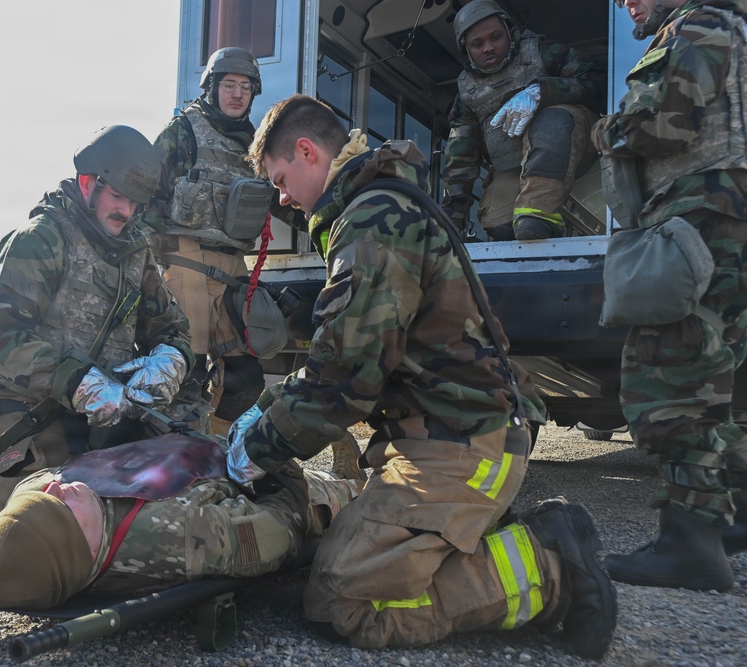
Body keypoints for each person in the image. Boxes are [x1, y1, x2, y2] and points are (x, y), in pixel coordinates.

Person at [234, 93, 617, 658]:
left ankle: (549, 566)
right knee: (336, 553)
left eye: (282, 179)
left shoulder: (371, 225)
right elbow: (343, 360)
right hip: (443, 433)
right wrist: (263, 412)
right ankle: (466, 536)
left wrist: (256, 447)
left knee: (342, 601)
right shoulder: (373, 206)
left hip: (464, 443)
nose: (283, 199)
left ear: (308, 152)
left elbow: (343, 381)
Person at [0, 126, 202, 553]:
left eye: (135, 203)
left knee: (169, 491)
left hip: (110, 412)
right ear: (89, 183)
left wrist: (172, 358)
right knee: (42, 533)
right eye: (118, 197)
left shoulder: (136, 254)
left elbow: (172, 327)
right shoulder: (40, 240)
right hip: (34, 413)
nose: (127, 212)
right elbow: (4, 341)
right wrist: (77, 381)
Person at [592, 0, 747, 591]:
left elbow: (668, 125)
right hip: (727, 217)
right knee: (727, 375)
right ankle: (728, 521)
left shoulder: (701, 25)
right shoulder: (731, 26)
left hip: (704, 216)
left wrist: (605, 129)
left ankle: (689, 545)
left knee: (674, 369)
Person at [0, 432, 361, 610]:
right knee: (329, 498)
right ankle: (354, 483)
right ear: (87, 549)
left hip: (186, 455)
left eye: (42, 495)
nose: (58, 488)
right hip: (247, 483)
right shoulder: (172, 539)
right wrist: (277, 457)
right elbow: (280, 532)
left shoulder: (46, 491)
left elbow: (40, 486)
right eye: (59, 507)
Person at [140, 47, 289, 435]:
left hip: (233, 269)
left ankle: (217, 446)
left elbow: (285, 196)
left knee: (245, 376)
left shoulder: (254, 145)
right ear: (211, 87)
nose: (237, 94)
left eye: (245, 87)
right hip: (184, 262)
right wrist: (148, 266)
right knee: (184, 373)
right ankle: (171, 459)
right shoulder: (182, 131)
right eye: (228, 85)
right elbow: (146, 196)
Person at [442, 0, 599, 241]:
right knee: (502, 226)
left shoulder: (542, 53)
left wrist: (541, 92)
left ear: (508, 31)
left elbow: (591, 82)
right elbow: (461, 157)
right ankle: (531, 219)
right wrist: (453, 216)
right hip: (515, 162)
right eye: (477, 44)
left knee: (553, 119)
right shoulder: (467, 93)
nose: (488, 48)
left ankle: (538, 212)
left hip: (575, 145)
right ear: (467, 49)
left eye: (495, 37)